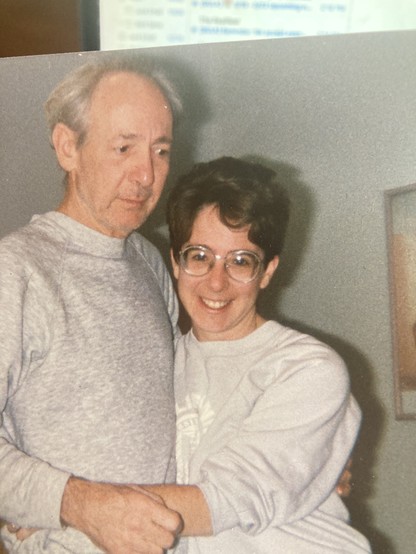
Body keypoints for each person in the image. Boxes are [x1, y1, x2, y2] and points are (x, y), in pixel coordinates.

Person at [0, 56, 183, 554]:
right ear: (67, 147)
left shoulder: (149, 263)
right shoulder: (14, 270)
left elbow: (190, 406)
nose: (146, 174)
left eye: (161, 150)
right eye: (123, 147)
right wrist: (74, 504)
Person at [158, 156, 371, 552]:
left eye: (241, 261)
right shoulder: (158, 364)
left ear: (268, 270)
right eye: (200, 256)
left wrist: (79, 510)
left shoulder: (307, 368)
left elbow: (227, 499)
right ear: (175, 261)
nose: (216, 282)